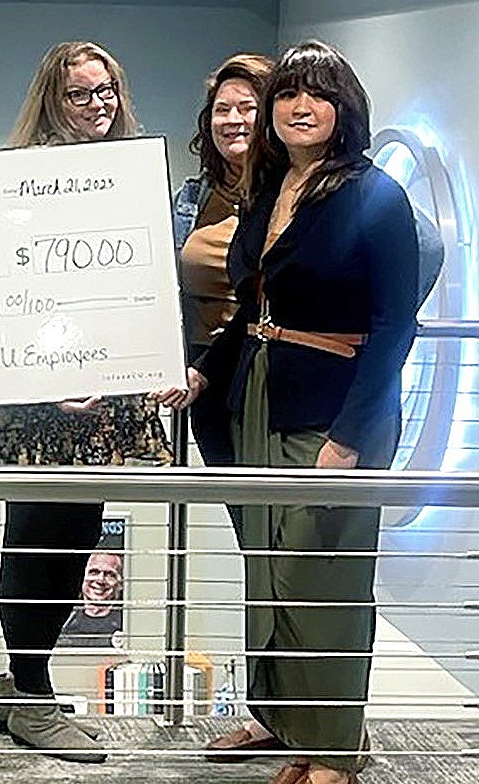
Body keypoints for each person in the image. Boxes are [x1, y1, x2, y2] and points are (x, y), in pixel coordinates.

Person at [160, 40, 420, 784]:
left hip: (333, 409)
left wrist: (351, 437)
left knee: (323, 578)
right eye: (287, 95)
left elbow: (394, 326)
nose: (299, 107)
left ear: (345, 110)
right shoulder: (270, 189)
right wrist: (205, 374)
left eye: (318, 94)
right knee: (268, 573)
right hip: (254, 399)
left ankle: (336, 749)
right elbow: (250, 309)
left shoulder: (375, 197)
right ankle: (281, 721)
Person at [0, 41, 171, 764]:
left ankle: (31, 688)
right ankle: (28, 693)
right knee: (34, 535)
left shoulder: (133, 175)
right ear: (52, 100)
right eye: (81, 94)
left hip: (102, 397)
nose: (97, 105)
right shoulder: (21, 179)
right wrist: (44, 375)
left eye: (106, 91)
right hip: (35, 400)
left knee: (77, 533)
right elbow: (3, 284)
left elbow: (140, 283)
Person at [170, 53, 274, 541]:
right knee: (245, 528)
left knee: (278, 528)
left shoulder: (297, 192)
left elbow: (425, 244)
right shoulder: (196, 195)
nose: (233, 120)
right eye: (221, 108)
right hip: (203, 383)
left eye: (248, 107)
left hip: (262, 376)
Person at [57, 548, 124, 644]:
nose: (100, 580)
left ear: (120, 584)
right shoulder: (64, 621)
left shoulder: (127, 623)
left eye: (109, 574)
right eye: (94, 572)